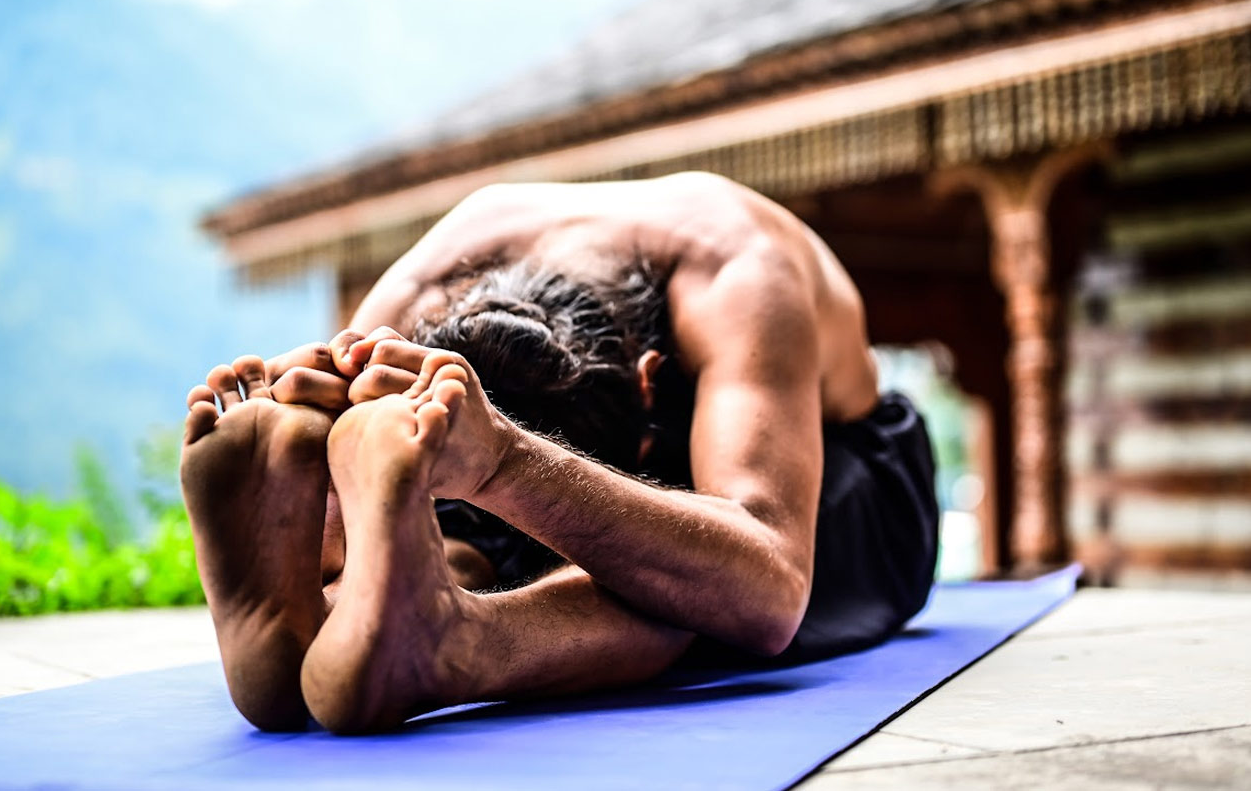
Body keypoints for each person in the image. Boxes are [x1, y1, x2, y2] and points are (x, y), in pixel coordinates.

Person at [179, 172, 939, 734]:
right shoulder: (413, 323)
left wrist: (507, 461)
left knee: (689, 574)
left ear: (651, 384)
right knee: (422, 479)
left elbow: (771, 588)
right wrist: (329, 494)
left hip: (841, 473)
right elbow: (374, 499)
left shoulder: (740, 270)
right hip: (502, 447)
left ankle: (469, 634)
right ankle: (324, 623)